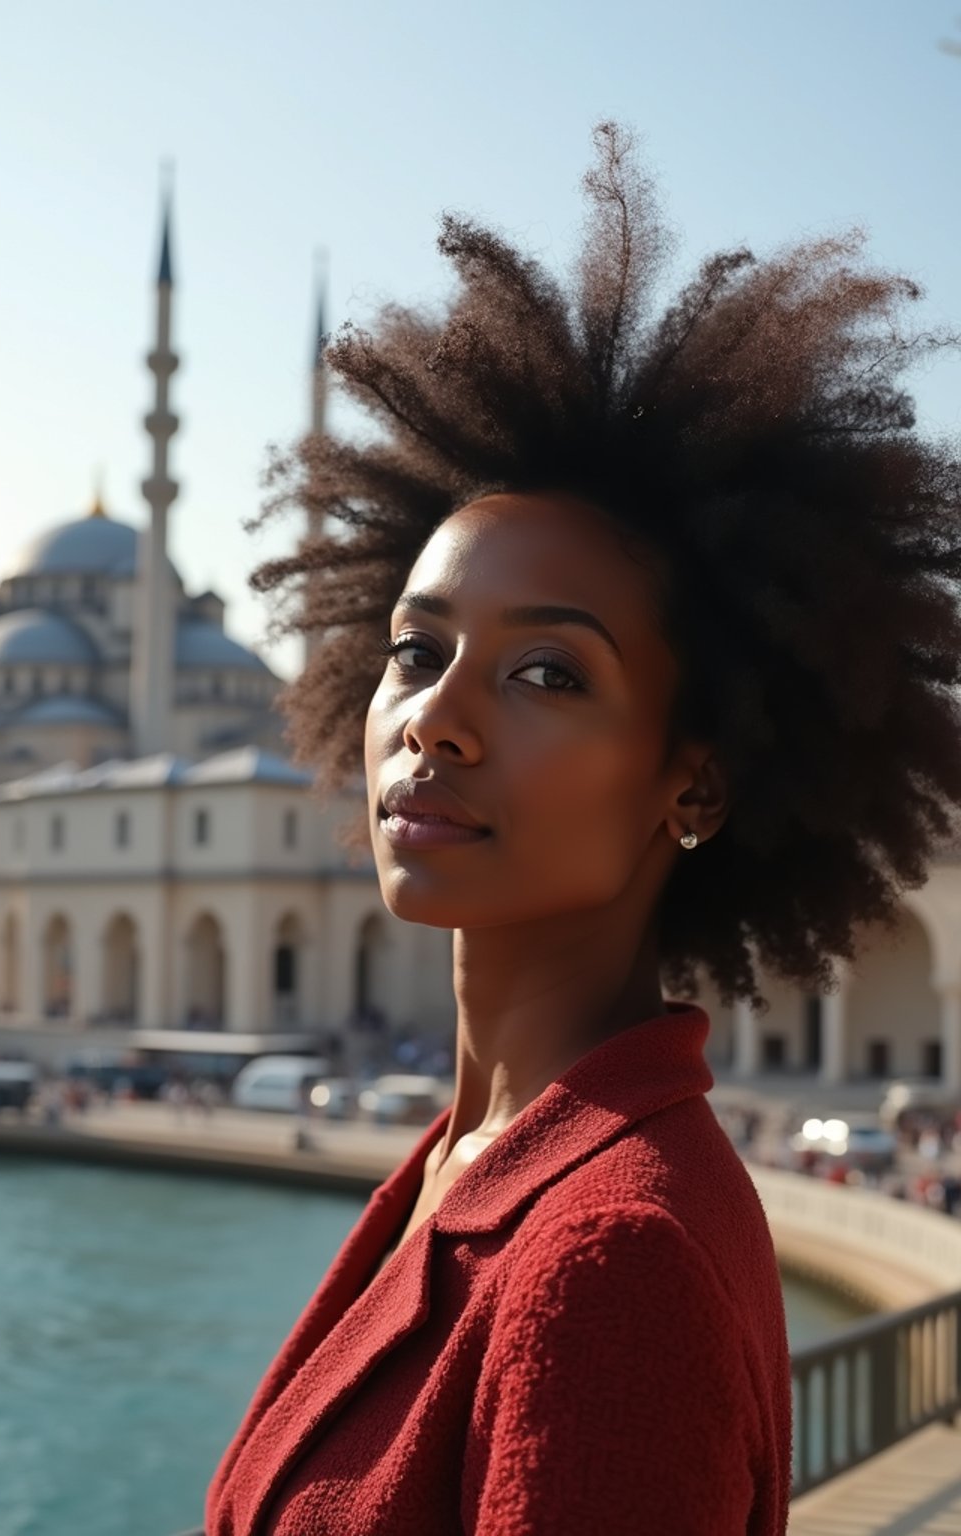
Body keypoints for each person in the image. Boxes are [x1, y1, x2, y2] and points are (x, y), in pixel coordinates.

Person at [204, 123, 961, 1535]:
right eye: (415, 650)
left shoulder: (612, 1263)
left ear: (697, 783)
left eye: (548, 671)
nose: (436, 717)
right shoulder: (471, 1162)